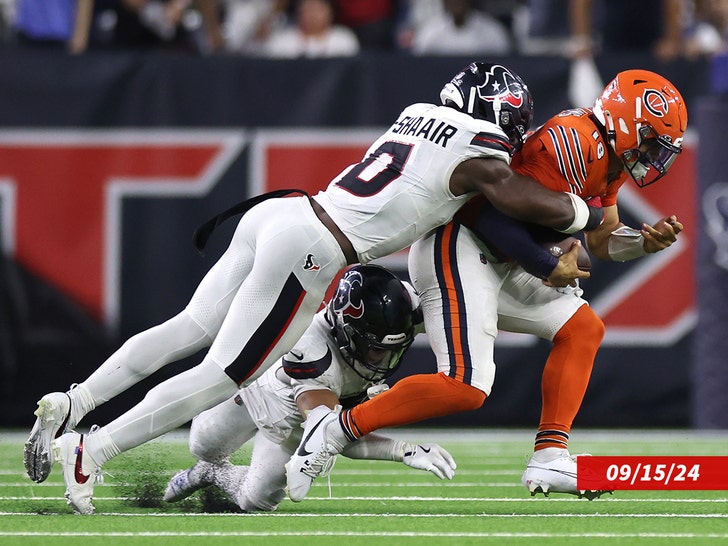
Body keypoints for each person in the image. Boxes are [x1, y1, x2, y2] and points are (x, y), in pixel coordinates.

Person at [24, 60, 602, 515]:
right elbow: (517, 197)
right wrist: (589, 215)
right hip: (317, 247)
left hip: (287, 211)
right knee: (224, 373)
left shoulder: (421, 112)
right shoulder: (477, 146)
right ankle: (92, 450)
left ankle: (75, 402)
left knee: (187, 329)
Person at [285, 68, 688, 502]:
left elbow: (601, 240)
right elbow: (487, 211)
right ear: (627, 123)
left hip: (500, 257)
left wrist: (643, 244)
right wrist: (543, 264)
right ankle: (334, 429)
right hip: (460, 242)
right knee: (465, 385)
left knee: (583, 328)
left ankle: (550, 455)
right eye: (650, 141)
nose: (652, 155)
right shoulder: (575, 143)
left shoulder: (608, 156)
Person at [163, 264, 456, 512]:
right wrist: (400, 450)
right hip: (260, 393)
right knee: (202, 444)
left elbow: (465, 308)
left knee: (255, 500)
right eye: (375, 349)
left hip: (296, 428)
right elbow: (333, 434)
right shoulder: (313, 352)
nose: (384, 359)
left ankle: (210, 474)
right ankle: (208, 463)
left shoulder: (405, 310)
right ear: (347, 331)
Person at [261, 0, 360, 58]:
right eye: (308, 8)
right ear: (299, 12)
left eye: (318, 9)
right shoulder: (282, 42)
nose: (313, 14)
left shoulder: (344, 40)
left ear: (330, 12)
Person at [410, 0, 512, 56]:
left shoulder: (491, 30)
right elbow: (417, 61)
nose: (457, 4)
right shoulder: (430, 31)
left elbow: (505, 59)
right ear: (445, 2)